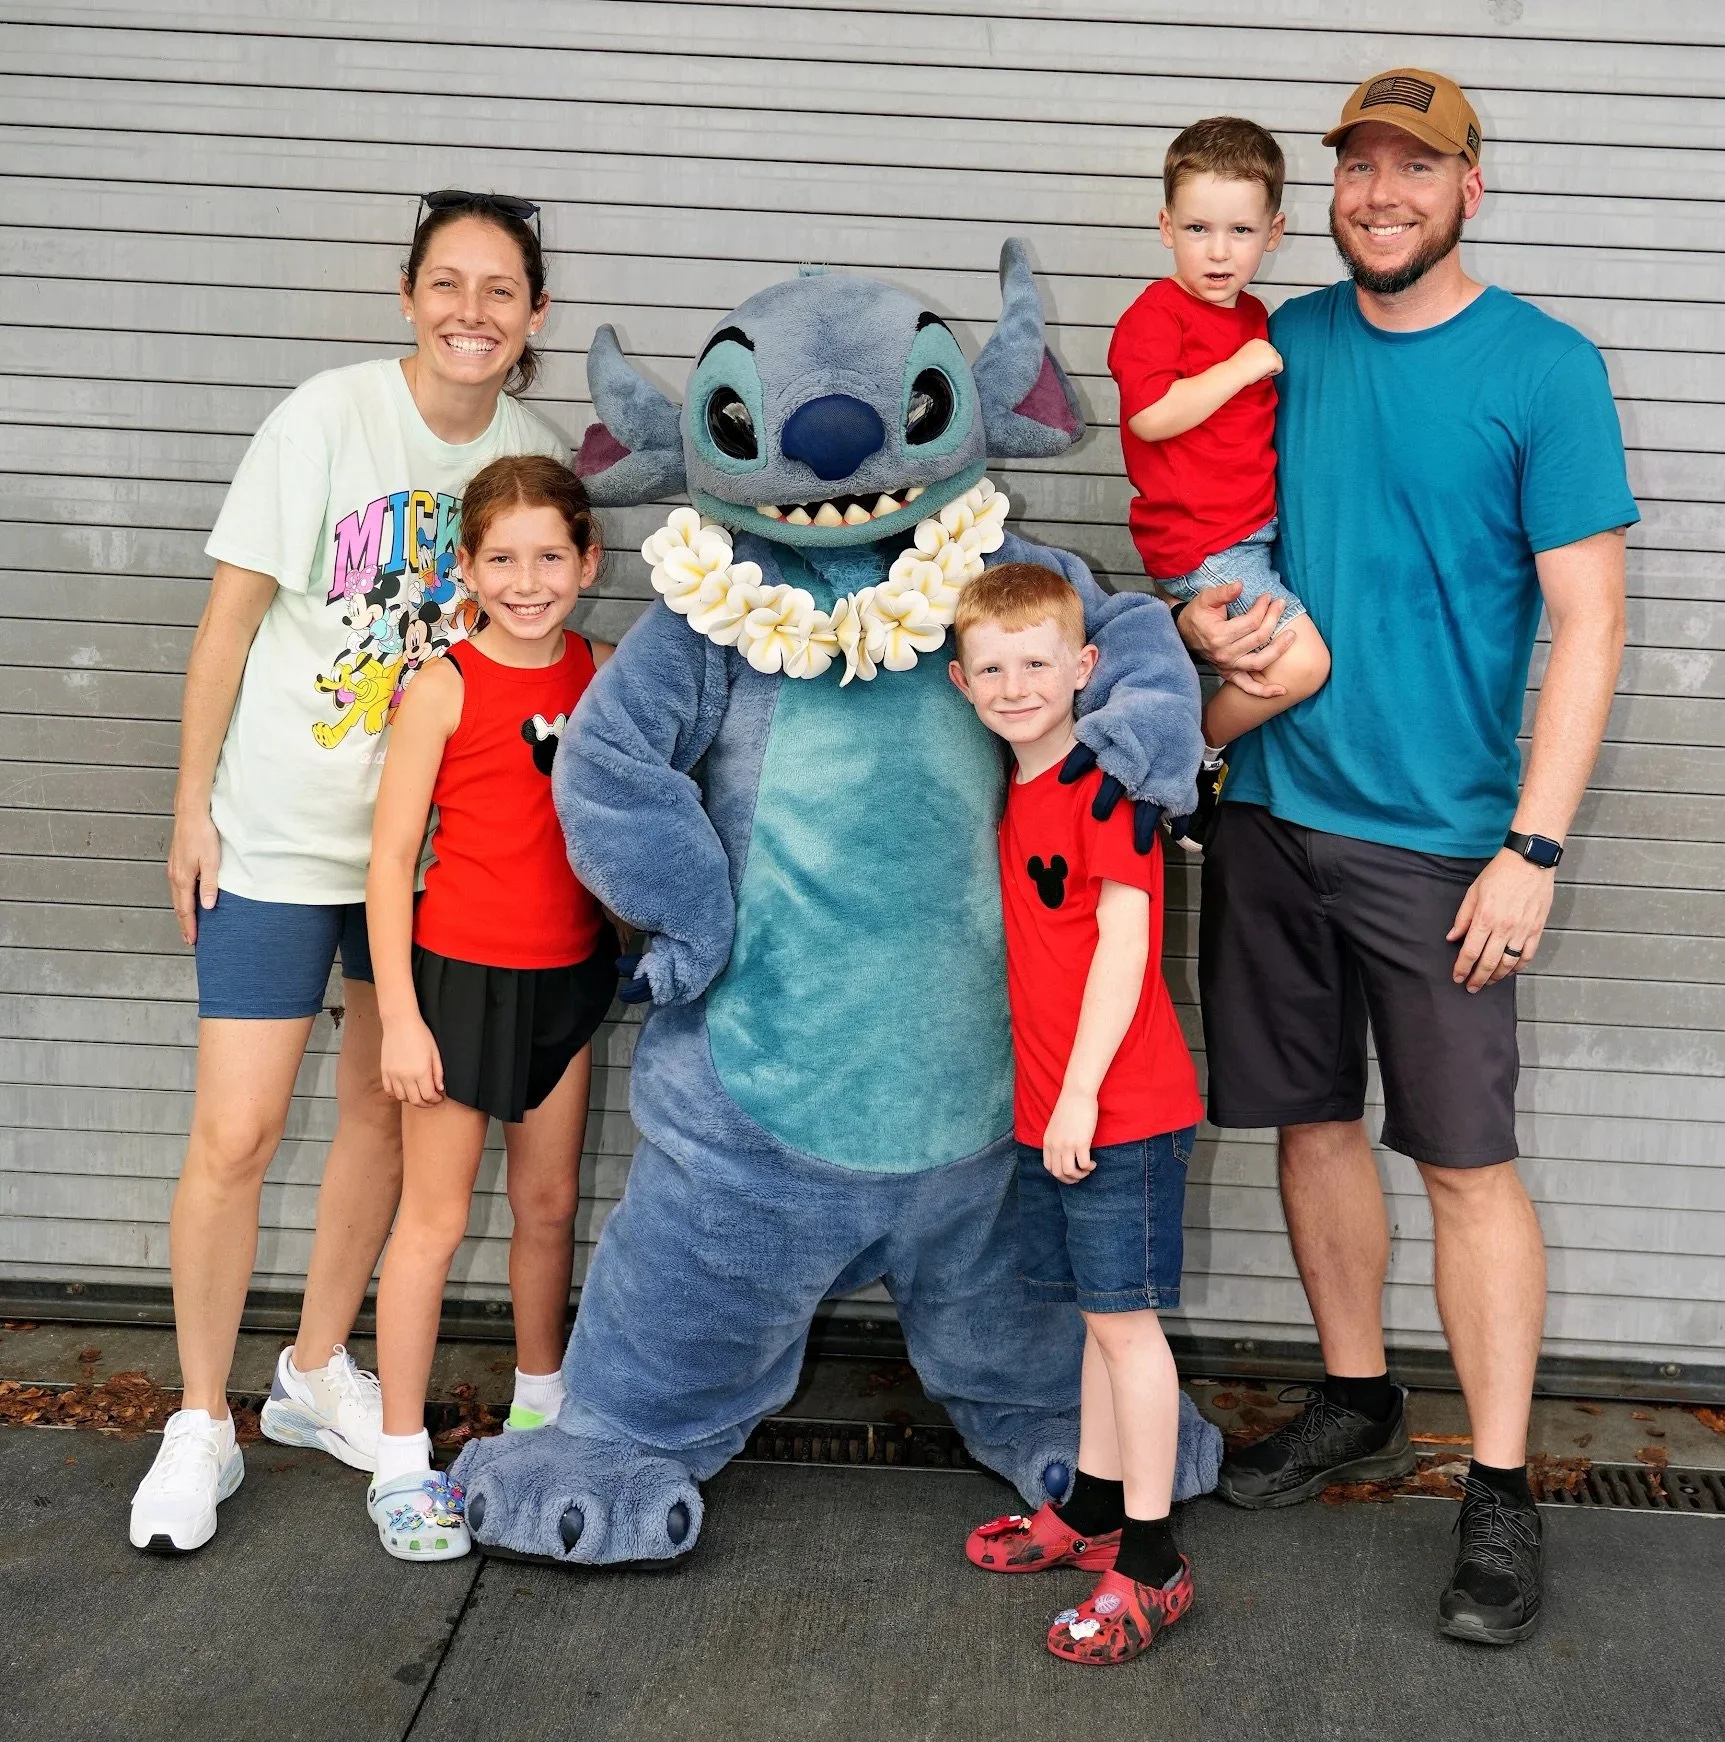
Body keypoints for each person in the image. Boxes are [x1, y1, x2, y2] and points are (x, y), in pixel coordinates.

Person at [1178, 69, 1636, 1645]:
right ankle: (1357, 1395)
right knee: (1306, 1124)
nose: (1380, 192)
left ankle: (1498, 1486)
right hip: (1269, 813)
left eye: (1412, 168)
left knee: (1460, 1161)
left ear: (1468, 188)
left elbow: (1590, 622)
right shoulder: (1277, 343)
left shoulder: (1545, 368)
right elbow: (1191, 520)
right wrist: (1207, 699)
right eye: (1358, 168)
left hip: (1443, 843)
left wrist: (1532, 845)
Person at [131, 191, 566, 1555]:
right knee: (238, 1131)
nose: (473, 312)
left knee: (383, 1121)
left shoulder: (535, 450)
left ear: (535, 314)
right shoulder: (322, 419)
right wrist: (190, 804)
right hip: (273, 832)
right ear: (407, 294)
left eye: (502, 290)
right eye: (450, 282)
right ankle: (200, 1419)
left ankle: (316, 1367)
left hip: (423, 870)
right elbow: (229, 624)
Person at [950, 563, 1205, 1666]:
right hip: (1054, 1106)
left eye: (1037, 663)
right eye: (993, 667)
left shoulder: (1110, 785)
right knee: (1094, 1322)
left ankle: (1150, 1559)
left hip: (1120, 1105)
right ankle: (1094, 1507)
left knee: (1125, 1324)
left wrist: (1084, 1094)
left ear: (1083, 668)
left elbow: (1125, 941)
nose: (1016, 684)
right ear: (961, 681)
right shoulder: (1012, 788)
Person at [363, 456, 613, 1562]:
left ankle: (538, 1408)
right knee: (435, 1218)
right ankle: (400, 1457)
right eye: (502, 559)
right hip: (457, 984)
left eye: (549, 556)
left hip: (568, 976)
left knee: (550, 1204)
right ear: (466, 569)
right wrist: (403, 1020)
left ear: (588, 561)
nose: (527, 579)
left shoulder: (604, 672)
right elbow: (386, 868)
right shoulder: (444, 684)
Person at [1108, 116, 1330, 847]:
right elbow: (1150, 418)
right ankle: (1193, 753)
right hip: (1205, 542)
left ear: (1274, 233)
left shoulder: (1252, 315)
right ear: (1165, 225)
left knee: (1284, 661)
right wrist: (1239, 368)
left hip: (1249, 530)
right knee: (1301, 666)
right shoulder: (1154, 315)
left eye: (1239, 231)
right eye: (1199, 227)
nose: (1217, 250)